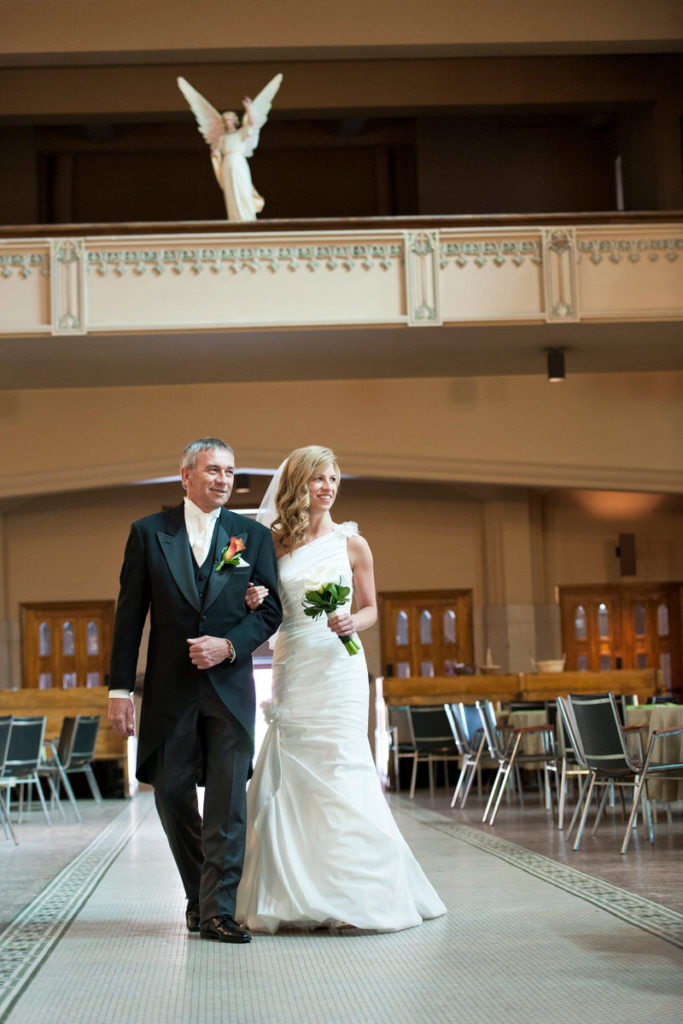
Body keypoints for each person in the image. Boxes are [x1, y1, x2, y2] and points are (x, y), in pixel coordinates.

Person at [235, 445, 446, 932]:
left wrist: (354, 620)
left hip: (340, 667)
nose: (327, 487)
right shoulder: (274, 542)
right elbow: (265, 617)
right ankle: (293, 893)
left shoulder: (355, 544)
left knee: (344, 765)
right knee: (295, 769)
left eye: (333, 479)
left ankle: (358, 896)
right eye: (317, 479)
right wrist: (254, 599)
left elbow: (372, 607)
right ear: (298, 485)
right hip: (296, 663)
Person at [108, 438, 282, 944]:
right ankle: (198, 894)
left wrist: (229, 645)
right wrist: (120, 689)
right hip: (169, 690)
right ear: (185, 476)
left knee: (228, 801)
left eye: (229, 471)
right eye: (212, 470)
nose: (223, 479)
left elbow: (271, 612)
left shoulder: (250, 536)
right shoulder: (148, 534)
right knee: (172, 794)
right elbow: (128, 618)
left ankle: (218, 912)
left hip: (230, 690)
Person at [177, 73, 282, 222]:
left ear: (235, 121)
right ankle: (235, 218)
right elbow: (216, 152)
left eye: (229, 120)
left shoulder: (241, 133)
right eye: (225, 121)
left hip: (238, 163)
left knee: (243, 190)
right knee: (232, 192)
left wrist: (250, 109)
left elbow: (253, 125)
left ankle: (247, 218)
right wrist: (215, 154)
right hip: (227, 164)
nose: (227, 123)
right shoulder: (222, 138)